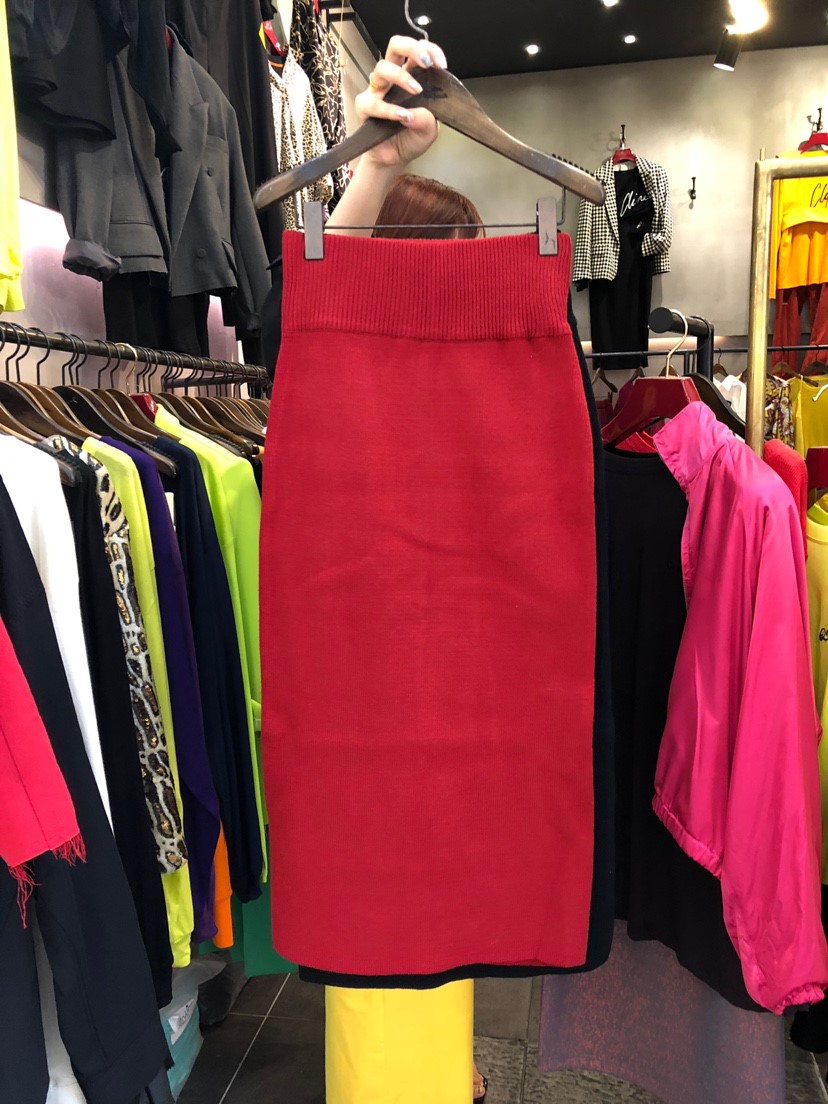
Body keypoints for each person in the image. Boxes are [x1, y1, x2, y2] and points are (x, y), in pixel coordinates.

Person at [263, 33, 489, 1101]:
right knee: (385, 949)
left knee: (445, 934)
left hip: (448, 728)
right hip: (374, 732)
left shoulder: (466, 416)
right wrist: (373, 170)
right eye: (450, 268)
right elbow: (317, 308)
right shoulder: (339, 401)